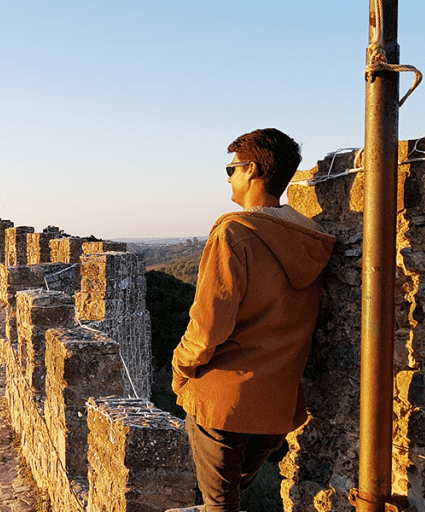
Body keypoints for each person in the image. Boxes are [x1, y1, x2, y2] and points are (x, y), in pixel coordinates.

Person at [172, 128, 336, 512]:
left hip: (224, 400)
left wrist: (180, 369)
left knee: (219, 505)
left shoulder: (234, 233)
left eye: (231, 169)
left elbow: (209, 323)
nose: (229, 177)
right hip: (275, 404)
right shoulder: (311, 239)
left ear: (253, 170)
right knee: (233, 500)